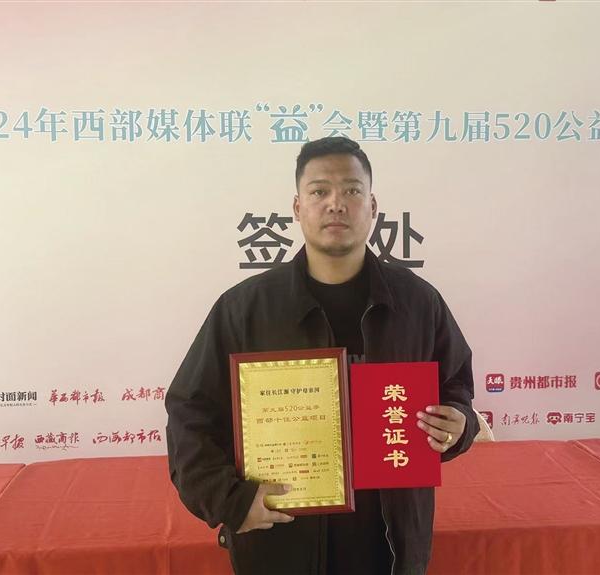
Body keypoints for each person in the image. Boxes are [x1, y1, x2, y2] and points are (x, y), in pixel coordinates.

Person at [165, 136, 478, 575]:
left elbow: (456, 385)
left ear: (372, 205)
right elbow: (189, 412)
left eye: (352, 190)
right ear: (297, 207)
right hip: (280, 544)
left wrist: (458, 424)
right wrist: (230, 500)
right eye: (319, 191)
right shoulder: (244, 309)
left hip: (390, 547)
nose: (336, 204)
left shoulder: (418, 303)